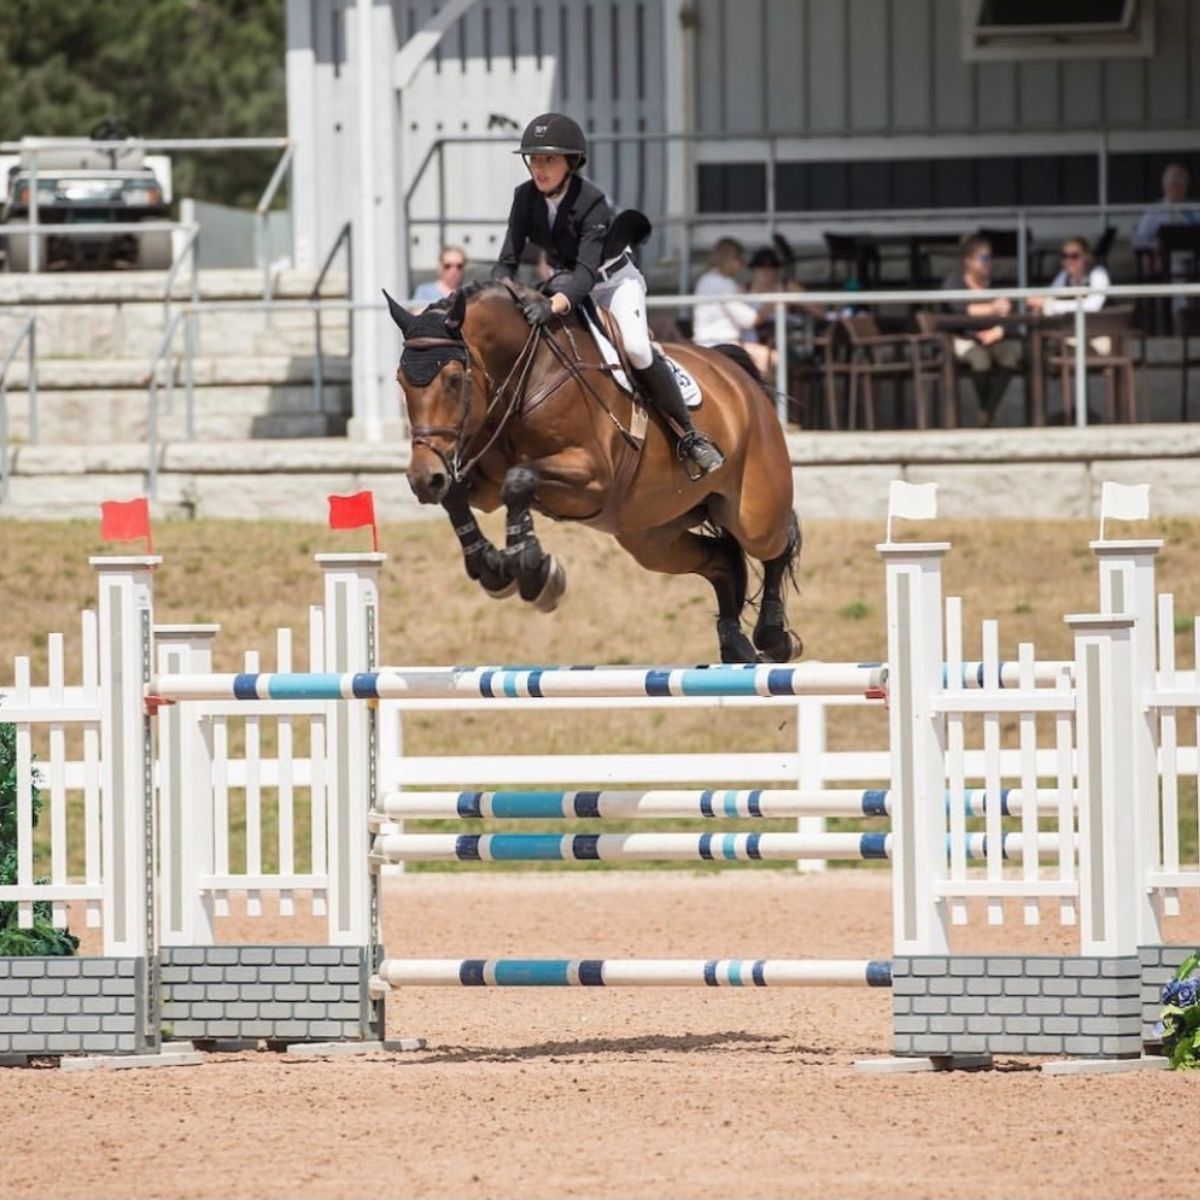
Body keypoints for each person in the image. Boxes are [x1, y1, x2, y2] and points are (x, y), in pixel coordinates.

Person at [491, 112, 723, 475]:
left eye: (549, 159)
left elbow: (586, 273)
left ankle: (690, 437)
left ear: (571, 162)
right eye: (534, 159)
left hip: (613, 283)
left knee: (634, 347)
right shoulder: (524, 198)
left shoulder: (591, 201)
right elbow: (507, 261)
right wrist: (501, 298)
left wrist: (552, 305)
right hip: (566, 282)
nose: (540, 168)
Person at [941, 235, 1023, 428]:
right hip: (963, 338)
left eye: (990, 258)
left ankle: (987, 411)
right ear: (968, 261)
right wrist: (993, 308)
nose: (989, 264)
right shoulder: (954, 281)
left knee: (1010, 356)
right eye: (984, 259)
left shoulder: (993, 284)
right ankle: (987, 414)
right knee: (980, 361)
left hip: (992, 338)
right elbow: (962, 309)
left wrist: (999, 330)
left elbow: (1011, 314)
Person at [693, 239, 771, 373]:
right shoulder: (725, 284)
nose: (741, 266)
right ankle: (761, 393)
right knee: (769, 357)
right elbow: (750, 320)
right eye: (740, 260)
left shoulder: (705, 280)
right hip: (723, 344)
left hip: (704, 342)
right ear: (731, 259)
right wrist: (773, 303)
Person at [1132, 164, 1200, 254]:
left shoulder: (1195, 208)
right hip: (1163, 259)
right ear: (1164, 186)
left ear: (1186, 186)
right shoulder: (1155, 210)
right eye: (1172, 183)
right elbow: (1139, 239)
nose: (1175, 187)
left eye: (1179, 183)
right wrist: (1157, 246)